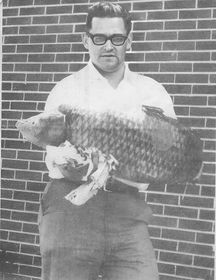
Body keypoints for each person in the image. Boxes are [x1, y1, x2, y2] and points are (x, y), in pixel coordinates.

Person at [39, 2, 176, 280]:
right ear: (86, 40)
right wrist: (70, 163)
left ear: (130, 39)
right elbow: (53, 153)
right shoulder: (66, 89)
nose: (108, 46)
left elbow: (167, 152)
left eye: (117, 38)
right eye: (99, 38)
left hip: (127, 211)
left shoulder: (152, 92)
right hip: (70, 209)